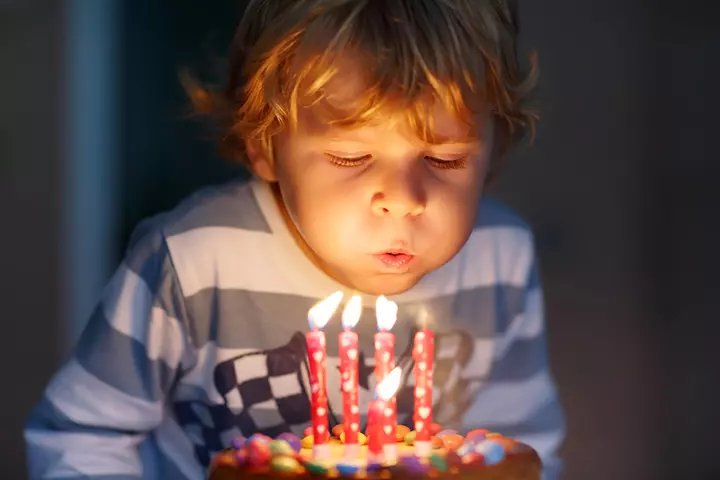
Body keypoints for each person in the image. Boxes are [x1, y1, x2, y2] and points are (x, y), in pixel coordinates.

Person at [25, 1, 564, 479]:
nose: (403, 198)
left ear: (495, 147)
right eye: (351, 157)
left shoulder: (501, 259)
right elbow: (82, 439)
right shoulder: (192, 263)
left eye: (445, 159)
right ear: (266, 147)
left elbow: (519, 445)